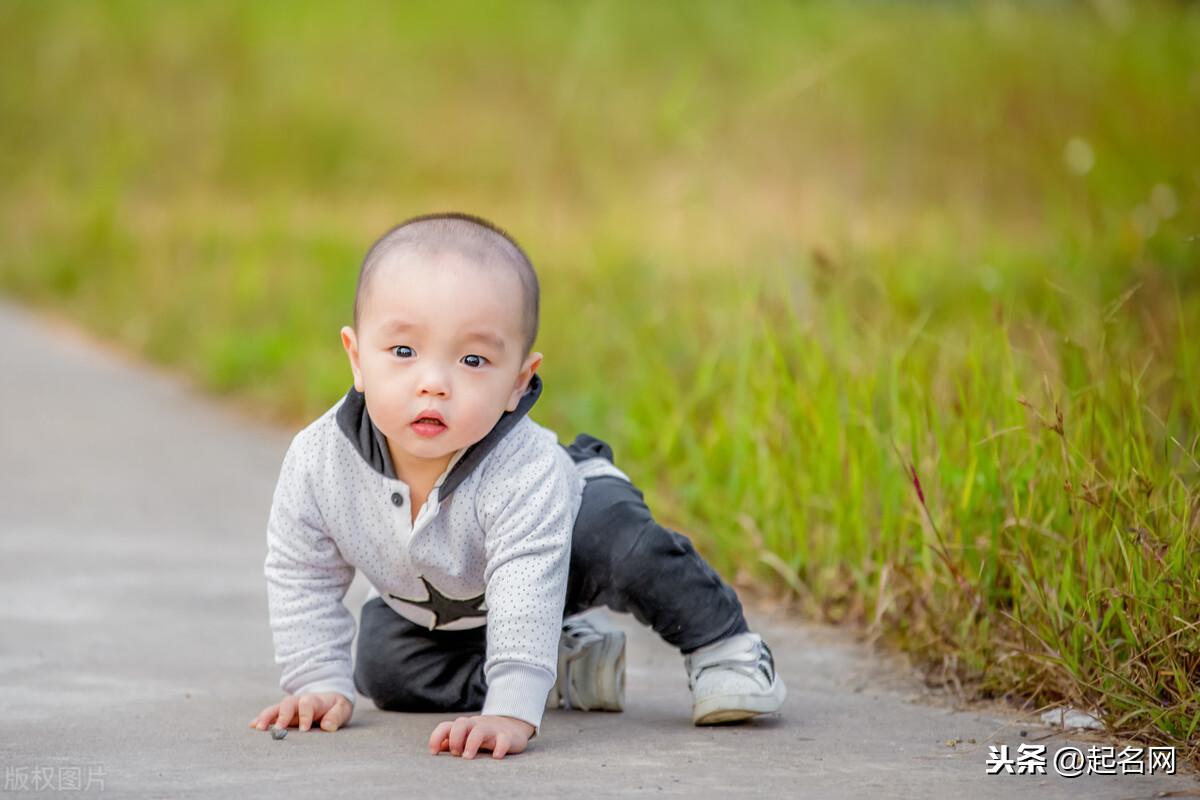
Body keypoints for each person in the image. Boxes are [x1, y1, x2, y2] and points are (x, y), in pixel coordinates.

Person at [248, 212, 786, 759]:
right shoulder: (320, 461)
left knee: (625, 544)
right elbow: (301, 568)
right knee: (385, 670)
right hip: (450, 598)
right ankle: (561, 663)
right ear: (357, 359)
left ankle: (724, 645)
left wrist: (509, 712)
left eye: (473, 359)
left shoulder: (522, 469)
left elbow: (528, 583)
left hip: (569, 529)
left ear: (518, 382)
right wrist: (316, 679)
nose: (433, 383)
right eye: (404, 352)